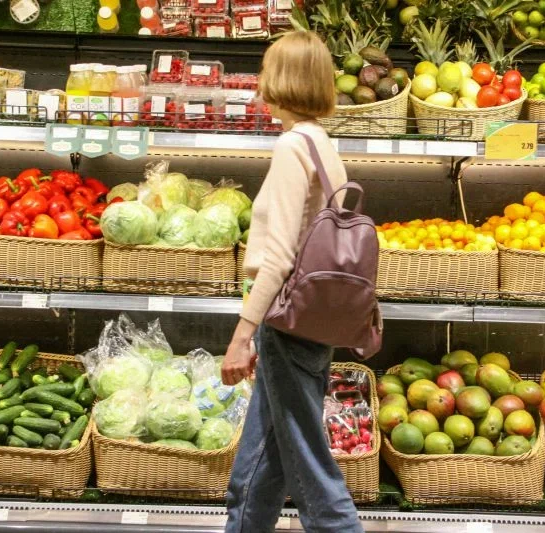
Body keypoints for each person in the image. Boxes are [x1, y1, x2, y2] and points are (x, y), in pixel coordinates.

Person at [221, 31, 364, 533]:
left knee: (308, 463)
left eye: (266, 68)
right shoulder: (323, 144)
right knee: (262, 459)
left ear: (280, 78)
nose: (260, 79)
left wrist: (243, 335)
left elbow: (279, 257)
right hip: (313, 320)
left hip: (285, 321)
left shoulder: (290, 147)